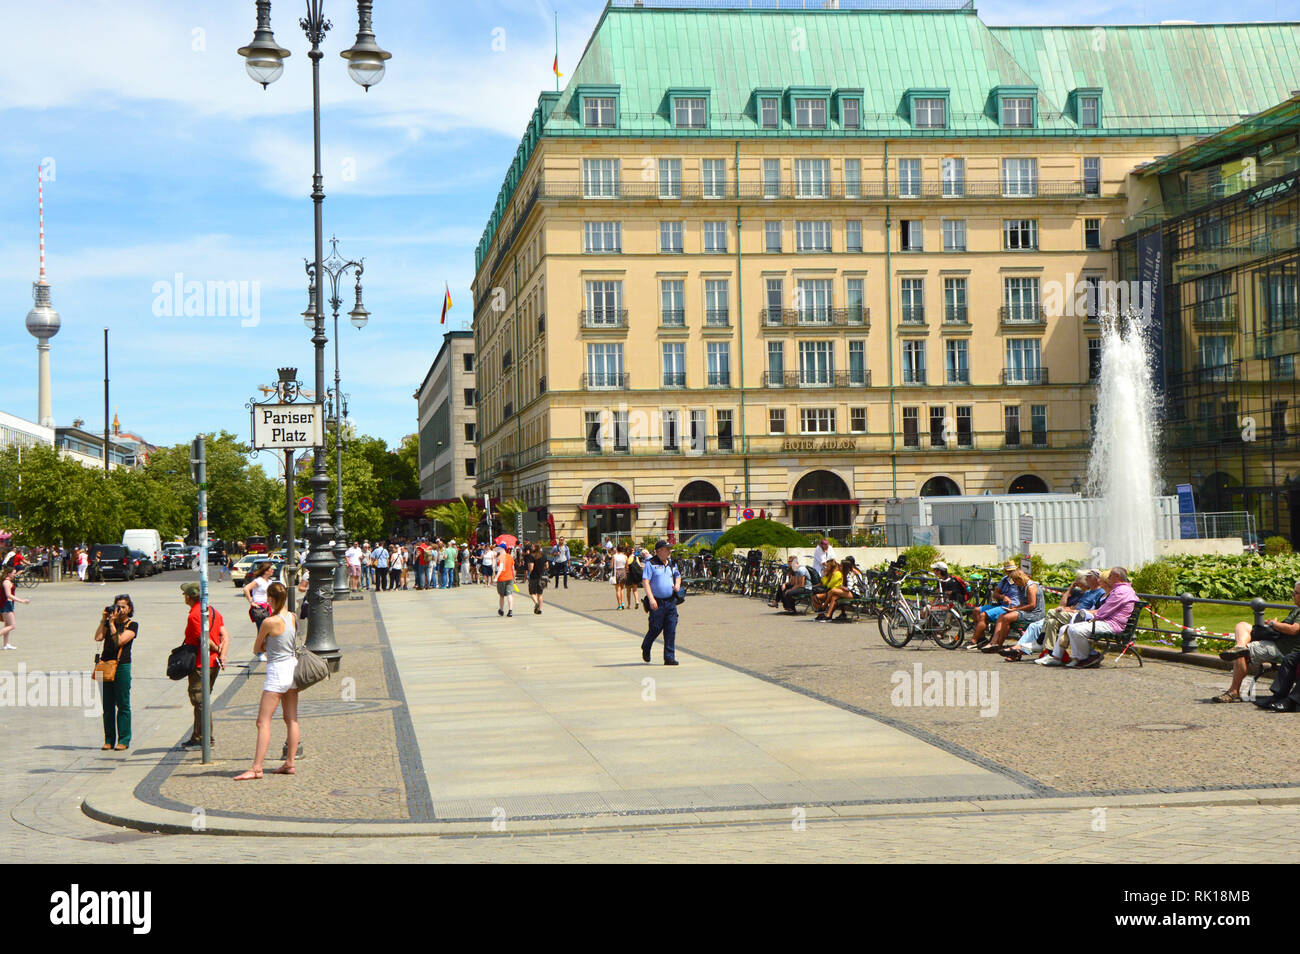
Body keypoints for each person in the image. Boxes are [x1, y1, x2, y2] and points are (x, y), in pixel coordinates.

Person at [234, 582, 300, 780]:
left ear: (270, 599)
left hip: (277, 672)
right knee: (292, 719)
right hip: (293, 669)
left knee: (263, 721)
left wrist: (266, 645)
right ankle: (290, 762)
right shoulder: (293, 618)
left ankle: (256, 768)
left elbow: (257, 648)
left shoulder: (269, 622)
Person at [1213, 578, 1300, 702]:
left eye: (1295, 593)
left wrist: (1273, 624)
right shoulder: (1296, 609)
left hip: (1283, 649)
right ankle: (1239, 646)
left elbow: (1294, 630)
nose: (1293, 596)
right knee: (1242, 625)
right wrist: (1275, 625)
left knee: (1243, 653)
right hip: (1277, 641)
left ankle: (1233, 691)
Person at [1038, 566, 1140, 669]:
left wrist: (1094, 618)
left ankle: (1084, 657)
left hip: (1112, 625)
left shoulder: (1121, 591)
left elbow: (1107, 609)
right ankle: (1060, 657)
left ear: (1117, 576)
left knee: (1074, 629)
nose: (1108, 578)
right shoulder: (1120, 589)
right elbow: (1106, 609)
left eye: (1110, 575)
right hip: (1106, 621)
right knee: (1066, 628)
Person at [1004, 569, 1103, 660]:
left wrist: (1071, 611)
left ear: (1095, 579)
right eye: (1086, 577)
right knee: (1051, 622)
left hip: (1082, 617)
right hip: (1071, 615)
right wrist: (1066, 607)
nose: (1086, 579)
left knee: (1049, 613)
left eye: (1088, 577)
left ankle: (1038, 642)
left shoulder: (1099, 592)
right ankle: (1050, 654)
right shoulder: (1087, 593)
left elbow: (1094, 610)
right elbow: (1074, 606)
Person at [180, 582, 229, 749]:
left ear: (190, 597)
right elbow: (225, 634)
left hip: (201, 664)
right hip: (213, 662)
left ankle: (207, 738)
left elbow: (204, 639)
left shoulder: (194, 615)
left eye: (185, 594)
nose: (184, 596)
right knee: (202, 699)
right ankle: (197, 735)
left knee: (200, 700)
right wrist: (222, 655)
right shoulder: (213, 611)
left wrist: (215, 648)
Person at [94, 594, 137, 751]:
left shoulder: (132, 625)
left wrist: (112, 624)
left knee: (123, 704)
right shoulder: (108, 622)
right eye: (117, 606)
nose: (119, 610)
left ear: (129, 609)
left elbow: (120, 641)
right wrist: (104, 620)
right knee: (107, 705)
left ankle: (124, 739)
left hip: (121, 666)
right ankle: (108, 739)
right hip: (105, 665)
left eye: (123, 607)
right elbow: (98, 637)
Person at [641, 540, 682, 665]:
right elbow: (645, 581)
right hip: (657, 602)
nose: (669, 551)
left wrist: (677, 585)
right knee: (655, 628)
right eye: (666, 549)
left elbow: (678, 575)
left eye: (669, 549)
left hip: (670, 602)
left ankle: (669, 657)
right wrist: (651, 599)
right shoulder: (651, 563)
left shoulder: (671, 563)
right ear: (659, 551)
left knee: (671, 629)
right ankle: (646, 646)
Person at [967, 561, 1024, 651]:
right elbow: (995, 594)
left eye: (1012, 571)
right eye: (1008, 571)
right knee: (977, 610)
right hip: (1001, 604)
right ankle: (981, 639)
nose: (1010, 573)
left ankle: (973, 640)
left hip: (1011, 607)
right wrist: (1003, 596)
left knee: (983, 615)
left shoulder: (1019, 580)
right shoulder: (1005, 580)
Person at [981, 569, 1042, 652]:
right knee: (1001, 616)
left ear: (1019, 579)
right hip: (1027, 611)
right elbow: (1023, 603)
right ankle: (995, 643)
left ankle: (998, 644)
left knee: (1006, 618)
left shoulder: (1030, 587)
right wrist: (1013, 608)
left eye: (1015, 581)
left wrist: (1016, 609)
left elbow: (1032, 605)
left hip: (1034, 614)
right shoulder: (1022, 587)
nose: (1015, 584)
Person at [243, 562, 276, 663]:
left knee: (269, 630)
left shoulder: (269, 582)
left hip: (267, 607)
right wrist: (251, 601)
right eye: (271, 569)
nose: (273, 571)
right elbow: (246, 588)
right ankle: (259, 652)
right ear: (266, 571)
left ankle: (266, 650)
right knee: (261, 630)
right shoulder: (259, 581)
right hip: (259, 608)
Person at [0, 567, 31, 650]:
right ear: (8, 573)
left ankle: (6, 644)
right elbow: (8, 595)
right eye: (13, 573)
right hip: (6, 605)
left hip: (7, 604)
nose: (15, 574)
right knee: (12, 625)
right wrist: (22, 600)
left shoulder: (8, 581)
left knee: (7, 625)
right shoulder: (6, 582)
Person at [494, 543, 516, 617]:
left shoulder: (501, 557)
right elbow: (513, 569)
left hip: (502, 578)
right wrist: (514, 577)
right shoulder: (510, 557)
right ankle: (510, 610)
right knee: (509, 594)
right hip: (510, 578)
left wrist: (496, 577)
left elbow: (500, 568)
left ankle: (501, 610)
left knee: (502, 595)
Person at [612, 544, 629, 609]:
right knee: (622, 588)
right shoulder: (625, 557)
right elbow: (627, 566)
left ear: (617, 549)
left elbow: (611, 565)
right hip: (623, 572)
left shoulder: (614, 556)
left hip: (617, 572)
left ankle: (619, 605)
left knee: (617, 589)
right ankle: (622, 603)